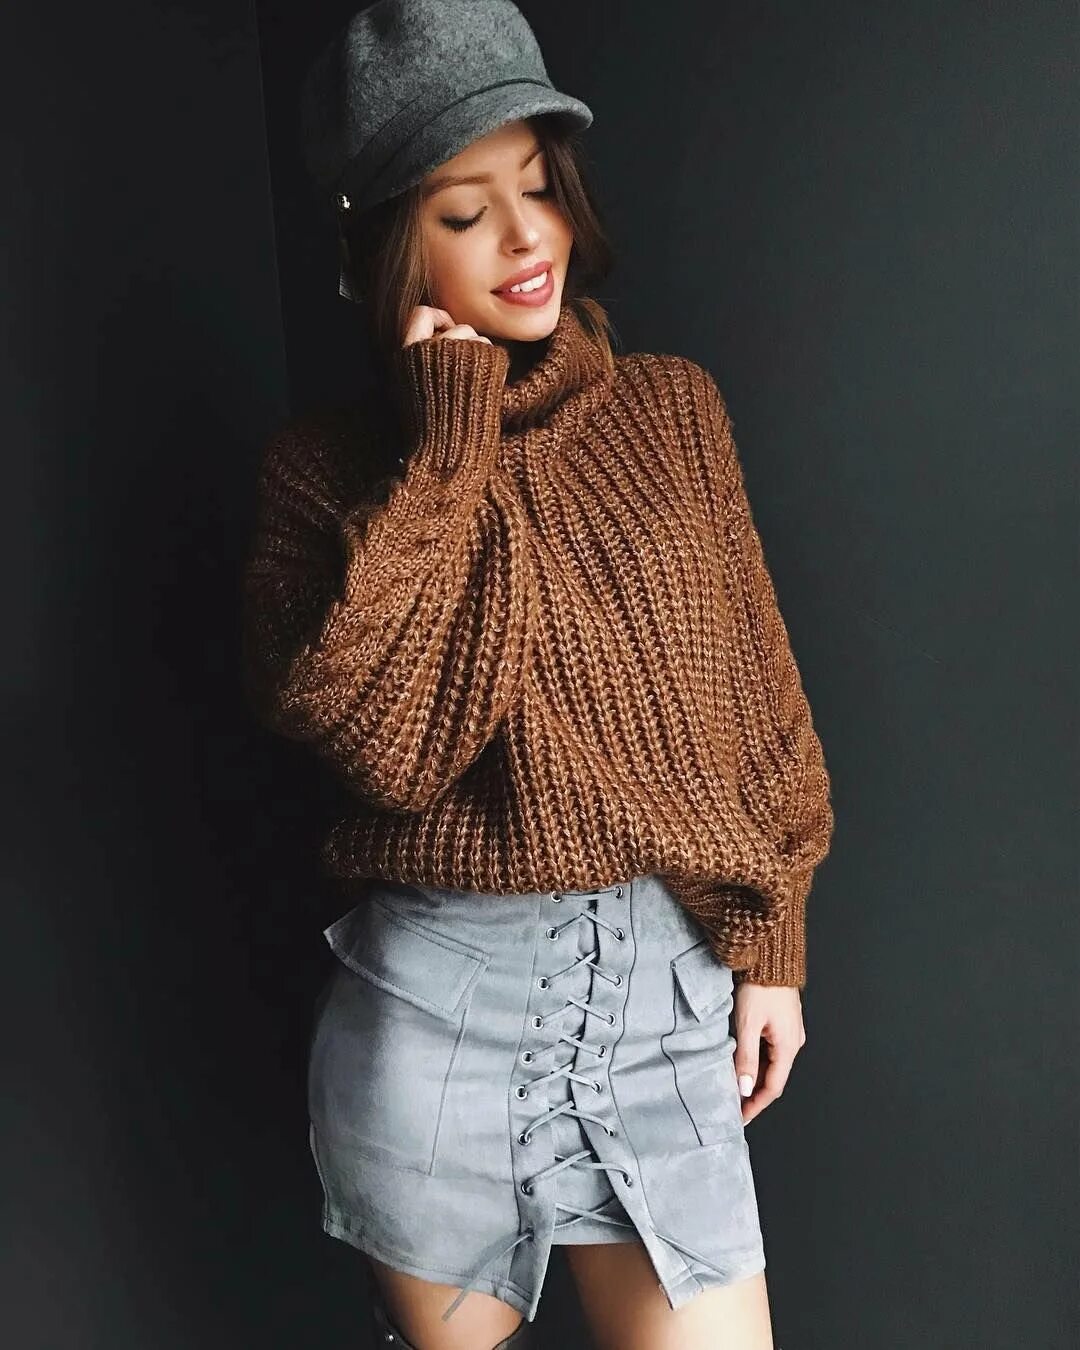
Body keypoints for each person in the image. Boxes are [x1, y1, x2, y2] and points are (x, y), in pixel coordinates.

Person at [241, 3, 834, 1347]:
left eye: (539, 188)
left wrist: (773, 942)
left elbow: (760, 697)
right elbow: (386, 743)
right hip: (436, 1016)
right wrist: (449, 453)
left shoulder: (672, 410)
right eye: (466, 212)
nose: (525, 238)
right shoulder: (318, 477)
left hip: (666, 998)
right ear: (390, 248)